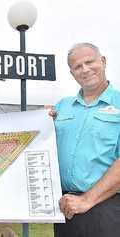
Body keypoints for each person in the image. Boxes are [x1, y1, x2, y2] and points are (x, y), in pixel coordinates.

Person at [51, 43, 120, 237]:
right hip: (66, 208)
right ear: (72, 73)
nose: (85, 69)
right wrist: (40, 123)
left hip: (105, 209)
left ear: (103, 61)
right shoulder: (61, 107)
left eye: (89, 62)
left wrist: (87, 200)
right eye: (77, 66)